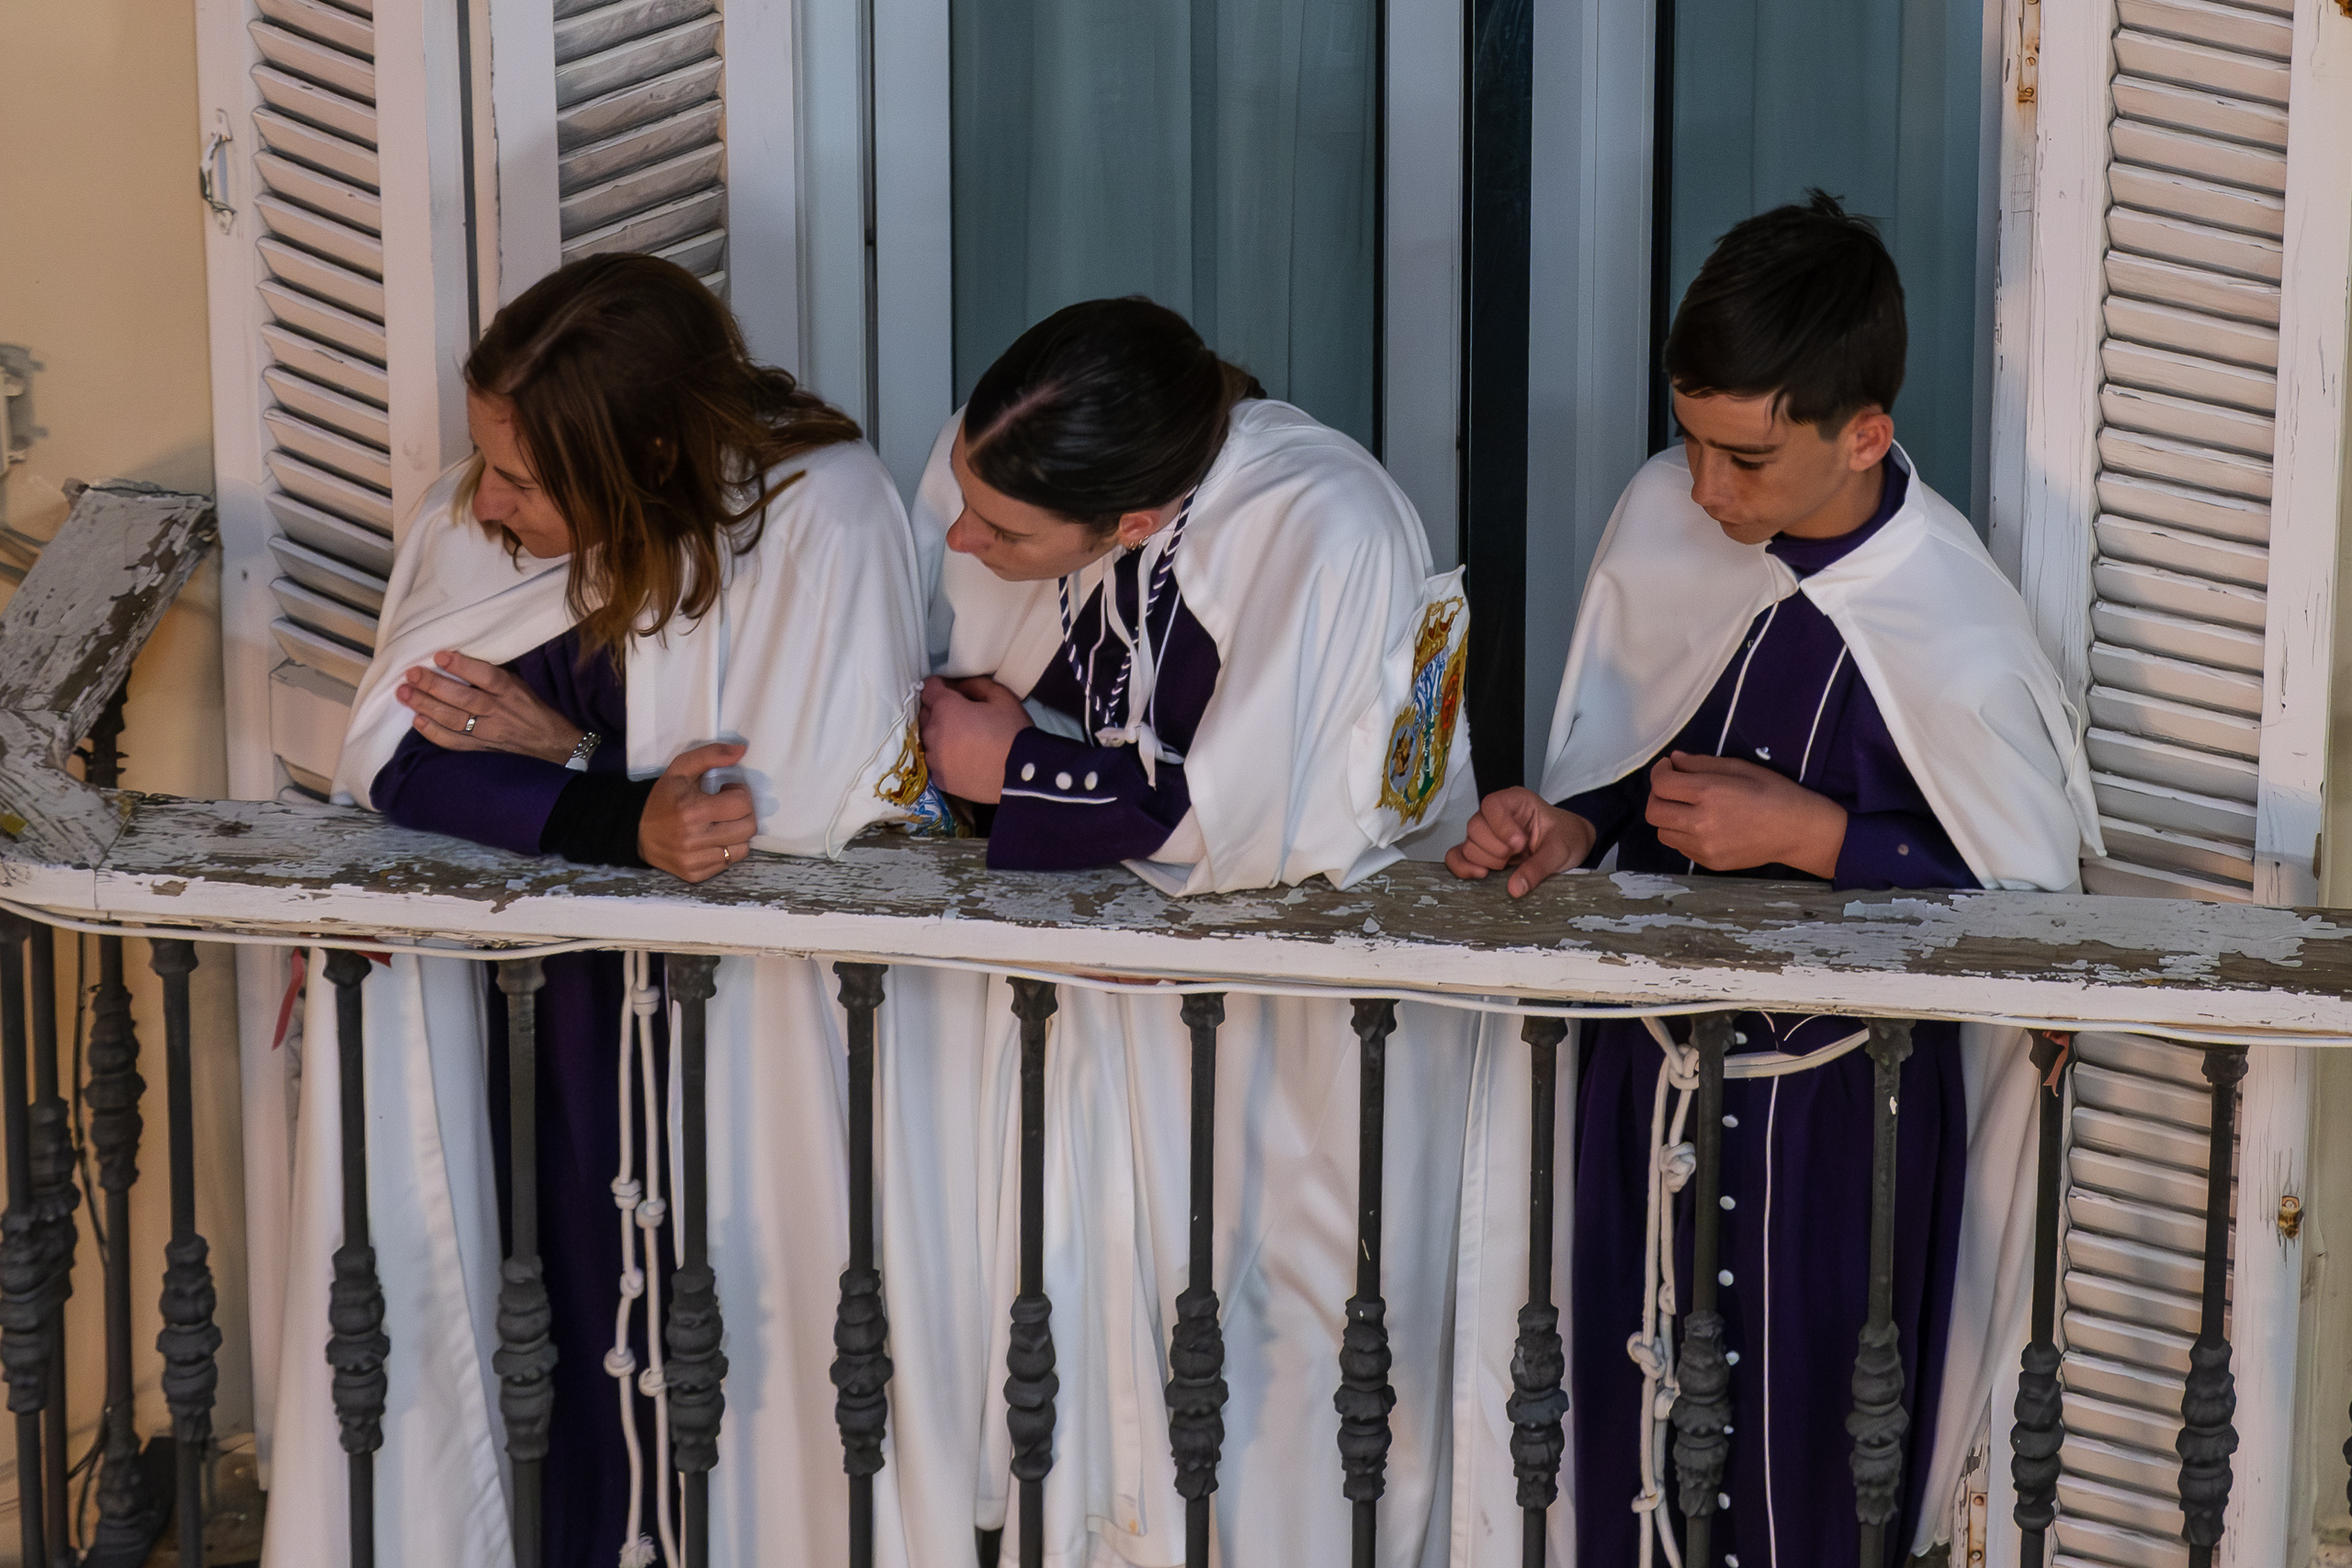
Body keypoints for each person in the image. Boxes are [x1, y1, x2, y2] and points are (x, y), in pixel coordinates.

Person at [263, 253, 947, 1568]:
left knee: (738, 1358)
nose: (485, 500)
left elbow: (798, 807)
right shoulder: (479, 525)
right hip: (524, 1013)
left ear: (637, 455)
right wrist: (608, 813)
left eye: (523, 477)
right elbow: (393, 756)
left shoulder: (820, 511)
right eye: (489, 462)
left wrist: (572, 764)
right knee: (535, 1339)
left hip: (735, 1025)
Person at [1447, 194, 2100, 1566]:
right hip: (1643, 1090)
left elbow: (2027, 908)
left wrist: (1819, 838)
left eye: (1743, 457)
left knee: (1811, 1472)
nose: (1701, 490)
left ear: (1862, 434)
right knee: (1620, 1461)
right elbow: (1622, 753)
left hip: (1841, 1127)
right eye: (1689, 438)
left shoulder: (1959, 625)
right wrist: (1569, 828)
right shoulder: (1665, 523)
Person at [911, 297, 1481, 1565]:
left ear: (1135, 521)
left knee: (1292, 1366)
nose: (960, 534)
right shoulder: (991, 459)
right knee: (1094, 1337)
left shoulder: (1322, 525)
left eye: (1001, 531)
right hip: (1104, 1022)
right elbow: (962, 697)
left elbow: (1263, 832)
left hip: (1314, 1038)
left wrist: (1017, 773)